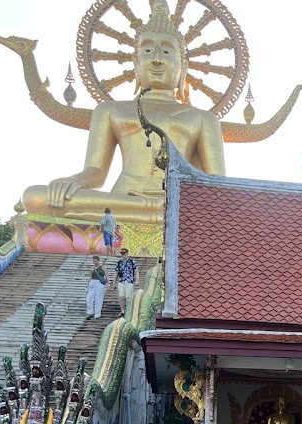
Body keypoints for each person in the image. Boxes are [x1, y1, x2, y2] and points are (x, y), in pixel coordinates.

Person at [22, 0, 225, 223]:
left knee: (224, 207)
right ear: (135, 62)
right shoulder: (110, 110)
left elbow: (218, 186)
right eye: (148, 50)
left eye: (166, 51)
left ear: (183, 66)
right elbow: (96, 172)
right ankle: (162, 214)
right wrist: (73, 181)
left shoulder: (204, 119)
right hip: (123, 200)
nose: (156, 59)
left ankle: (165, 213)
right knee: (36, 197)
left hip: (180, 203)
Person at [112, 247, 139, 317]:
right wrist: (113, 282)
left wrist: (137, 280)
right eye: (122, 254)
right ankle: (122, 311)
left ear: (127, 254)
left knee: (128, 297)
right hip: (121, 281)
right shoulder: (119, 262)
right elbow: (116, 272)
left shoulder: (132, 262)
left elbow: (136, 271)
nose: (123, 255)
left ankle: (129, 310)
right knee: (121, 297)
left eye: (124, 254)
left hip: (129, 281)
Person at [85, 255, 107, 320]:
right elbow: (90, 278)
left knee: (98, 299)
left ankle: (97, 314)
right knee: (89, 298)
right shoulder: (92, 269)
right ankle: (90, 312)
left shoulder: (103, 268)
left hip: (99, 283)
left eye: (96, 261)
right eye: (94, 261)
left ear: (98, 261)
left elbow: (106, 276)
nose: (95, 262)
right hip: (93, 282)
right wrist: (88, 285)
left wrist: (108, 284)